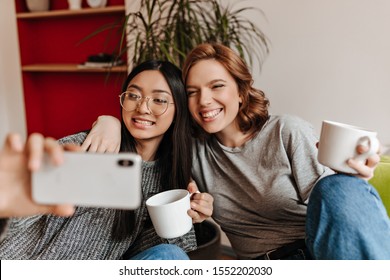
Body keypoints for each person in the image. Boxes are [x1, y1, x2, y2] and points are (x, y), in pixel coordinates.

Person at [83, 43, 390, 260]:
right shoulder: (192, 150)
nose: (204, 101)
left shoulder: (285, 131)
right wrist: (109, 121)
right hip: (259, 266)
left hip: (319, 253)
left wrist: (350, 175)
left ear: (241, 92)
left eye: (217, 86)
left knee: (338, 187)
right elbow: (147, 131)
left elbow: (334, 207)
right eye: (192, 92)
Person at [0, 60, 213, 260]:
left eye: (159, 100)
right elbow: (17, 215)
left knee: (170, 256)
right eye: (133, 95)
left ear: (179, 111)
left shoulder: (168, 174)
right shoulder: (86, 147)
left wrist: (187, 217)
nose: (142, 108)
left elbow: (136, 250)